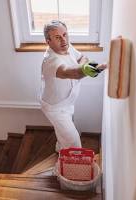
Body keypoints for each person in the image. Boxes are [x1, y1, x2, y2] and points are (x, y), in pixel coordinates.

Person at [40, 20, 106, 152]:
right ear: (48, 41)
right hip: (55, 108)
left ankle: (60, 149)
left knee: (62, 131)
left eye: (65, 34)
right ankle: (71, 169)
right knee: (73, 141)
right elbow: (73, 73)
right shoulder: (50, 61)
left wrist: (84, 65)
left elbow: (83, 58)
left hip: (67, 102)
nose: (63, 40)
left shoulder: (67, 46)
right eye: (57, 37)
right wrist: (95, 68)